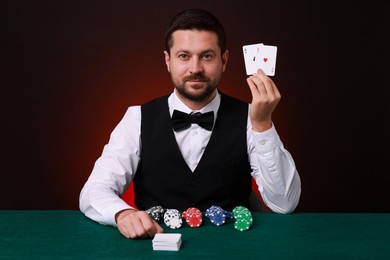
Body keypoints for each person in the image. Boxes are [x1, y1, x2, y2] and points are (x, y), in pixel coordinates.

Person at [79, 8, 301, 239]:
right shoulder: (137, 118)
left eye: (207, 56)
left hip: (234, 248)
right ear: (168, 60)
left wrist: (263, 124)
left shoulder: (250, 118)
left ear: (224, 60)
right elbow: (93, 191)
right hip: (156, 245)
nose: (195, 69)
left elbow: (285, 204)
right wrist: (122, 214)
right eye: (184, 56)